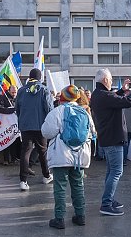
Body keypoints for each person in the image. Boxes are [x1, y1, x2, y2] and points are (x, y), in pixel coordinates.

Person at [41, 85, 96, 229]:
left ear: (63, 98)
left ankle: (59, 218)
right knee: (78, 186)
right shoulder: (85, 113)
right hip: (80, 156)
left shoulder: (57, 112)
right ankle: (80, 215)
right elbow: (92, 133)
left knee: (60, 187)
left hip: (61, 155)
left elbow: (46, 132)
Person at [89, 69, 131, 216]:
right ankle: (106, 203)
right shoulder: (104, 95)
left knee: (111, 170)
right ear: (105, 80)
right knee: (117, 171)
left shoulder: (97, 94)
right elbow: (127, 102)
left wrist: (121, 90)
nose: (111, 82)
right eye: (111, 80)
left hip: (107, 137)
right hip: (113, 138)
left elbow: (113, 98)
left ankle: (109, 199)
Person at [16, 69, 54, 190]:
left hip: (25, 125)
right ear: (40, 77)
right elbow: (49, 108)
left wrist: (22, 119)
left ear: (29, 77)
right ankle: (46, 175)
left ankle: (23, 180)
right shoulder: (44, 90)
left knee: (25, 152)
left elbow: (17, 108)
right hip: (40, 125)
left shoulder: (21, 90)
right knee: (43, 151)